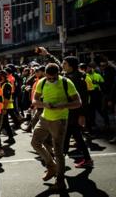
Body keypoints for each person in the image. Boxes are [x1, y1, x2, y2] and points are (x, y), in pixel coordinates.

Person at [31, 63, 82, 191]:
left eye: (54, 78)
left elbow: (78, 103)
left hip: (59, 120)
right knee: (35, 143)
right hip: (44, 118)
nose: (51, 80)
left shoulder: (66, 82)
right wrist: (44, 104)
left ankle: (60, 181)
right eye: (49, 78)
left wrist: (63, 105)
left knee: (58, 151)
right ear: (45, 75)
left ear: (58, 74)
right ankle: (51, 166)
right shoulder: (42, 82)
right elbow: (34, 101)